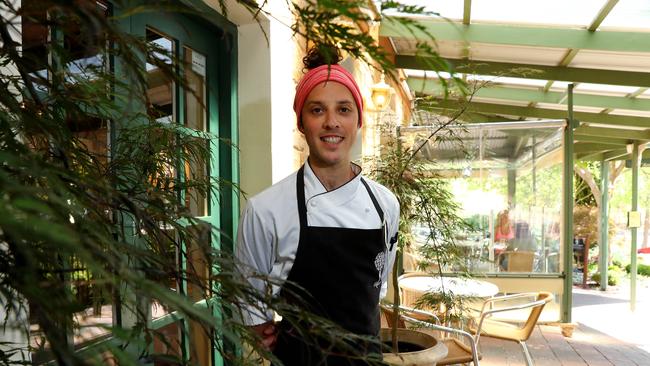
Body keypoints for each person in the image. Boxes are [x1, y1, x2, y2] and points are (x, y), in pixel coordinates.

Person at [235, 46, 399, 365]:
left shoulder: (385, 205)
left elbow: (376, 290)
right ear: (301, 122)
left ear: (358, 120)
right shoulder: (265, 210)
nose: (331, 123)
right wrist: (260, 326)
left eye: (343, 109)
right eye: (317, 110)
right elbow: (248, 299)